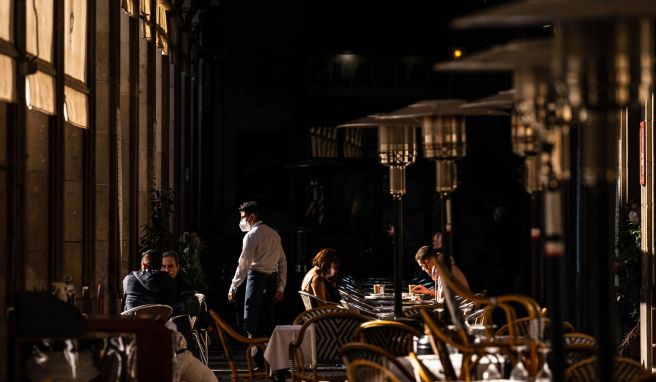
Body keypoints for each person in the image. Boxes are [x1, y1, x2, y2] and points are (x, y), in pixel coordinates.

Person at [227, 201, 287, 342]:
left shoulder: (251, 236)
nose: (241, 221)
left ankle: (255, 359)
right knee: (267, 320)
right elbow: (283, 263)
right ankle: (268, 359)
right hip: (272, 281)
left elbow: (244, 264)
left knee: (251, 322)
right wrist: (281, 287)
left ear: (252, 217)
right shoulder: (274, 235)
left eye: (243, 217)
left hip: (256, 279)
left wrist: (233, 286)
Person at [162, 251, 203, 359]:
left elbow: (194, 307)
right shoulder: (156, 284)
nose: (167, 270)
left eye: (170, 266)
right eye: (164, 266)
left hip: (178, 330)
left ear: (177, 267)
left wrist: (169, 309)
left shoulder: (183, 285)